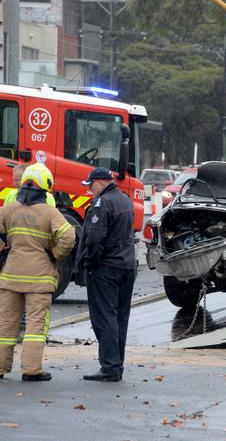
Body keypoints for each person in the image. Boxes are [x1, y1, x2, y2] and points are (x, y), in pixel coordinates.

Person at [0, 163, 76, 381]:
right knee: (35, 325)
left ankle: (1, 367)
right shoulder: (49, 212)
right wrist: (55, 253)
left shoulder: (10, 209)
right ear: (46, 186)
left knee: (5, 325)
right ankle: (31, 370)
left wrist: (3, 248)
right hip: (39, 278)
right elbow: (69, 237)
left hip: (10, 276)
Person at [75, 167, 136, 382]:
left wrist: (89, 262)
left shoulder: (102, 204)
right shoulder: (125, 200)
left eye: (90, 185)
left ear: (100, 183)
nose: (89, 190)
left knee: (105, 317)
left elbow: (94, 239)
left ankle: (109, 366)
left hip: (106, 268)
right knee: (120, 317)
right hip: (127, 266)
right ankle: (116, 365)